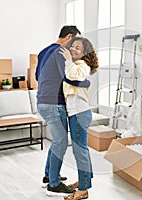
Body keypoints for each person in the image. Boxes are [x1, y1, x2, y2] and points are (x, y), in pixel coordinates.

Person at [36, 25, 90, 197]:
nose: (74, 47)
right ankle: (54, 184)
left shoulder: (44, 51)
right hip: (54, 104)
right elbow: (68, 77)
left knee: (57, 141)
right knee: (60, 143)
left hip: (42, 101)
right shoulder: (60, 52)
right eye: (74, 42)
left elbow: (38, 76)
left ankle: (49, 175)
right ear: (68, 37)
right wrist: (87, 83)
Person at [59, 36, 99, 200]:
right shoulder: (76, 65)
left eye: (77, 48)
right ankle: (84, 181)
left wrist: (68, 60)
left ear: (84, 53)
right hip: (76, 113)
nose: (73, 49)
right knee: (81, 150)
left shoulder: (83, 65)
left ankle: (83, 189)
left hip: (79, 113)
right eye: (72, 46)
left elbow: (75, 78)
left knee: (79, 150)